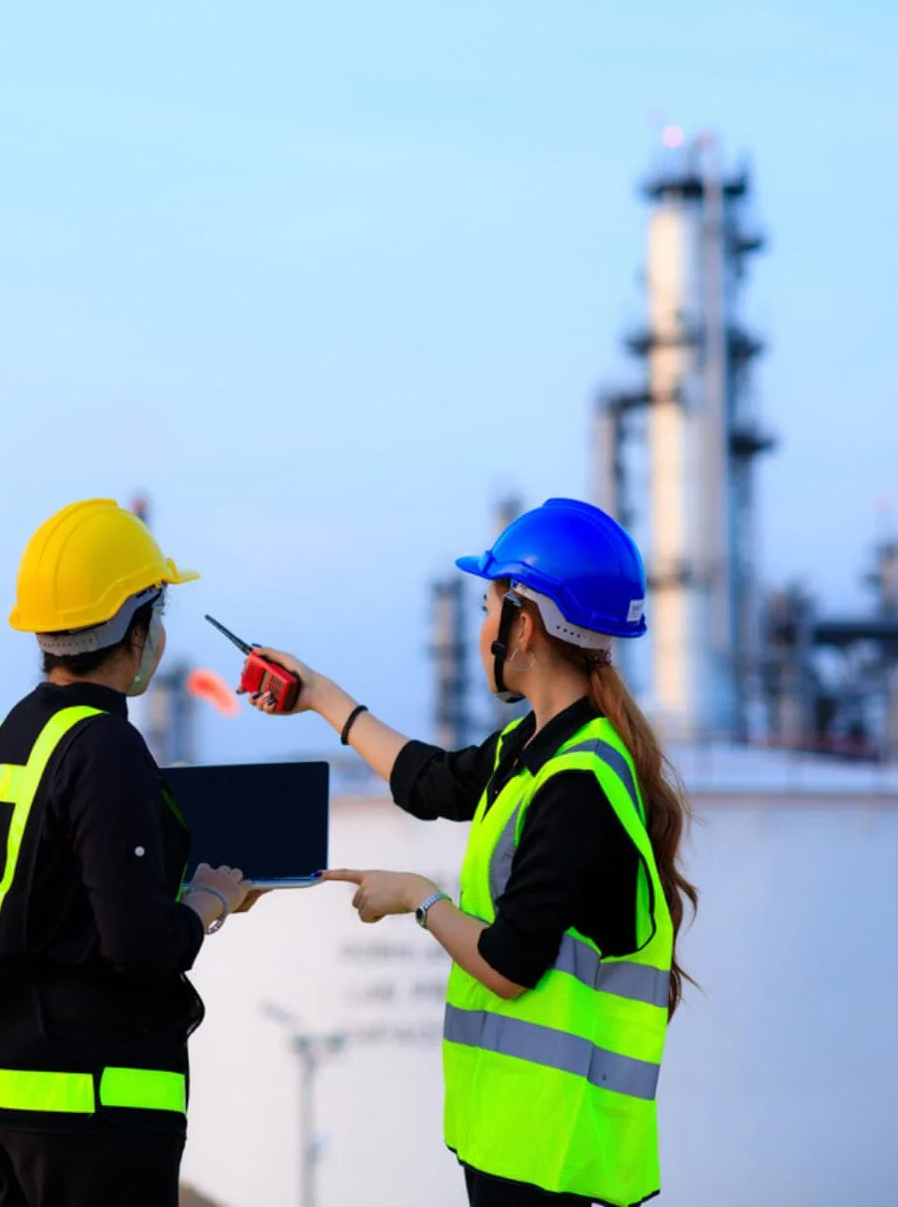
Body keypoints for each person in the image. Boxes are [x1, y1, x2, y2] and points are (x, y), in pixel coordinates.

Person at [247, 497, 695, 1207]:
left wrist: (420, 899)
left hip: (557, 1155)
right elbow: (429, 783)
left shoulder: (576, 782)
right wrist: (320, 696)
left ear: (524, 627)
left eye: (489, 606)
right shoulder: (536, 747)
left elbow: (511, 965)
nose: (481, 624)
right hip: (519, 1139)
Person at [0, 498, 255, 1207]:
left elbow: (28, 903)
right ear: (137, 628)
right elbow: (137, 946)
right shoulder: (105, 745)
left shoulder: (2, 742)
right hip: (84, 1109)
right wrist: (207, 902)